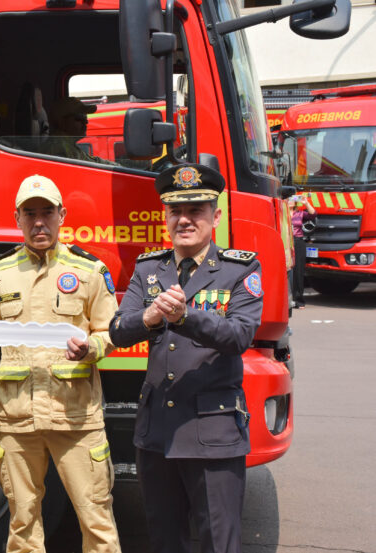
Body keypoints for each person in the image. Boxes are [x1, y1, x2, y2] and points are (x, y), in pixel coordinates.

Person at [109, 164, 263, 553]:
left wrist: (185, 316)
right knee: (163, 539)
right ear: (165, 216)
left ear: (216, 215)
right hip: (156, 431)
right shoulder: (149, 268)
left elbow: (239, 336)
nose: (185, 220)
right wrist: (150, 316)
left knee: (218, 541)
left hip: (213, 432)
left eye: (196, 210)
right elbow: (117, 330)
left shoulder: (239, 269)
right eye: (176, 211)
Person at [0, 175, 121, 553]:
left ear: (62, 216)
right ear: (17, 219)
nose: (39, 222)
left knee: (96, 517)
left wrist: (90, 348)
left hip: (75, 415)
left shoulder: (89, 271)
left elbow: (111, 333)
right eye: (30, 214)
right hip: (16, 418)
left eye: (46, 213)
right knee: (22, 521)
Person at [43, 97, 114, 165]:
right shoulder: (59, 149)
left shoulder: (69, 146)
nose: (86, 122)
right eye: (79, 118)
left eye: (85, 117)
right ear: (62, 122)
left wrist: (117, 167)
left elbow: (93, 162)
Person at [289, 194, 316, 307]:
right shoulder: (281, 213)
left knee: (298, 271)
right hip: (285, 242)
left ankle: (299, 300)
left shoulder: (300, 213)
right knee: (287, 271)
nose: (290, 201)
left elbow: (313, 214)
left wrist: (306, 203)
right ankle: (287, 299)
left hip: (298, 242)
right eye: (288, 199)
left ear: (296, 202)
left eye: (292, 200)